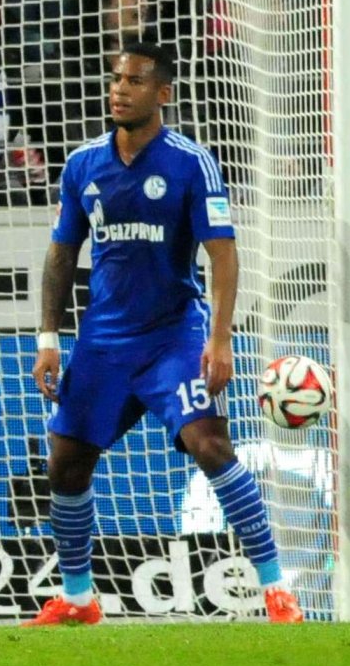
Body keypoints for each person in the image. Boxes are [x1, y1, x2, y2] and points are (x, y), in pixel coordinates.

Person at [28, 42, 302, 626]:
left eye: (134, 80)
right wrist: (48, 338)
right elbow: (61, 254)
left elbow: (222, 254)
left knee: (211, 446)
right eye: (116, 78)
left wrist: (220, 338)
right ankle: (78, 599)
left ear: (163, 94)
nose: (119, 89)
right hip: (103, 342)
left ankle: (277, 591)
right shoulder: (82, 164)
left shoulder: (190, 163)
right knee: (65, 464)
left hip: (173, 337)